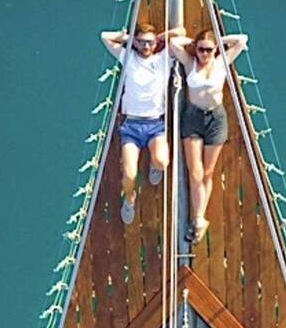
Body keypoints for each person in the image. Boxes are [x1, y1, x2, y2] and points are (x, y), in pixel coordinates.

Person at [100, 23, 186, 224]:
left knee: (162, 161)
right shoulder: (128, 58)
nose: (146, 46)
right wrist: (127, 38)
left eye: (150, 43)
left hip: (155, 124)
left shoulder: (163, 59)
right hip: (131, 126)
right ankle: (130, 198)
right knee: (129, 175)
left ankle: (154, 165)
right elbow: (104, 36)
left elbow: (181, 33)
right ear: (136, 43)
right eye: (142, 42)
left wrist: (160, 36)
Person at [170, 29, 248, 242]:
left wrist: (218, 42)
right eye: (201, 49)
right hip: (193, 117)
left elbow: (242, 40)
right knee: (195, 172)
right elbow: (174, 43)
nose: (204, 54)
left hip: (216, 119)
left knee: (207, 172)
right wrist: (194, 42)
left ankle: (198, 218)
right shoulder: (190, 63)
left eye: (208, 50)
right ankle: (198, 219)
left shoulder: (221, 62)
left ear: (215, 50)